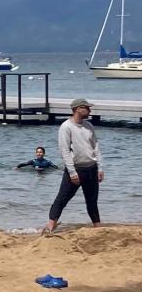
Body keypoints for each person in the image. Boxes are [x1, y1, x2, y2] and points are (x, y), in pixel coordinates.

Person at [45, 98, 103, 232]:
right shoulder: (66, 127)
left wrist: (100, 168)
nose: (89, 110)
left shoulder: (89, 126)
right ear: (77, 109)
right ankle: (51, 226)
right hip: (76, 169)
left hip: (91, 168)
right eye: (86, 108)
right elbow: (64, 151)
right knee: (62, 199)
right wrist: (72, 172)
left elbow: (96, 147)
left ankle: (98, 228)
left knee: (92, 201)